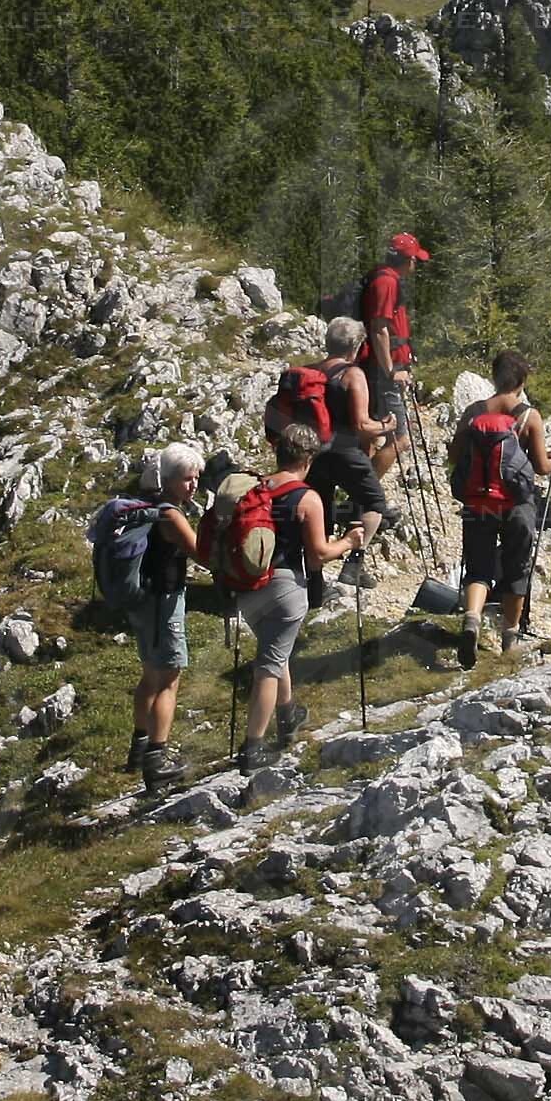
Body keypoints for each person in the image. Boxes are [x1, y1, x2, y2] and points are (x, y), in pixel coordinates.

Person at [208, 425, 367, 772]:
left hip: (247, 588)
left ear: (278, 453)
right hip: (285, 589)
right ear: (308, 460)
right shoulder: (307, 498)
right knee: (268, 664)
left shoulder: (257, 488)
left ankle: (288, 714)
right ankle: (252, 749)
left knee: (274, 651)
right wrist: (349, 542)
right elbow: (318, 555)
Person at [89, 443, 202, 791]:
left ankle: (138, 750)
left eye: (196, 477)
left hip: (141, 603)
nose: (194, 485)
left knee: (150, 676)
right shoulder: (171, 515)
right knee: (169, 678)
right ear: (169, 479)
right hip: (163, 603)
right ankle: (157, 760)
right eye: (187, 478)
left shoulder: (146, 506)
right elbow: (201, 552)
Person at [450, 351, 551, 667]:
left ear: (495, 378)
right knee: (517, 569)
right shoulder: (528, 416)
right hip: (516, 504)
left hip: (477, 502)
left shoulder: (473, 413)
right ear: (522, 381)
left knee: (478, 567)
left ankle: (472, 619)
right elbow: (541, 466)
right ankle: (510, 639)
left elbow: (455, 456)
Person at [281, 316, 392, 592]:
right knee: (374, 503)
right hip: (345, 452)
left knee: (320, 514)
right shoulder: (352, 374)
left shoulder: (310, 372)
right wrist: (387, 426)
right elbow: (361, 425)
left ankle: (314, 583)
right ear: (356, 346)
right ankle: (353, 565)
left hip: (312, 454)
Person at [356, 233, 432, 468]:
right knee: (400, 440)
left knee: (371, 436)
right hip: (385, 371)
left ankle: (362, 487)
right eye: (415, 259)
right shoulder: (387, 282)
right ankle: (368, 489)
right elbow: (379, 328)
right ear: (408, 260)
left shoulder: (382, 276)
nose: (416, 264)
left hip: (381, 366)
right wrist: (390, 371)